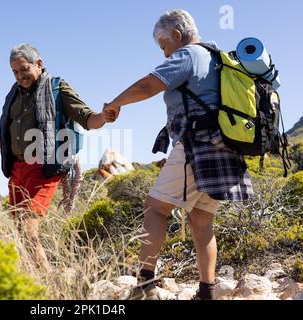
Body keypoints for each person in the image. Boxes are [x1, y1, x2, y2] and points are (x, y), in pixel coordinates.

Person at [103, 9, 253, 300]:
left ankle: (144, 284)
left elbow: (148, 85)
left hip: (197, 145)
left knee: (155, 208)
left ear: (176, 35)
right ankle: (207, 291)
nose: (165, 54)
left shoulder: (187, 55)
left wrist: (116, 102)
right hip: (227, 148)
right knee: (202, 218)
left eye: (164, 47)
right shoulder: (219, 58)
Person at [0, 44, 115, 272]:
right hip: (17, 170)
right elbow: (7, 139)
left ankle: (48, 283)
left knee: (28, 227)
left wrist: (104, 116)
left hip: (46, 168)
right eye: (15, 72)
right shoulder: (13, 95)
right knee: (18, 229)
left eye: (24, 69)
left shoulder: (57, 88)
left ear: (39, 64)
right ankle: (40, 278)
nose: (20, 76)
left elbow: (87, 118)